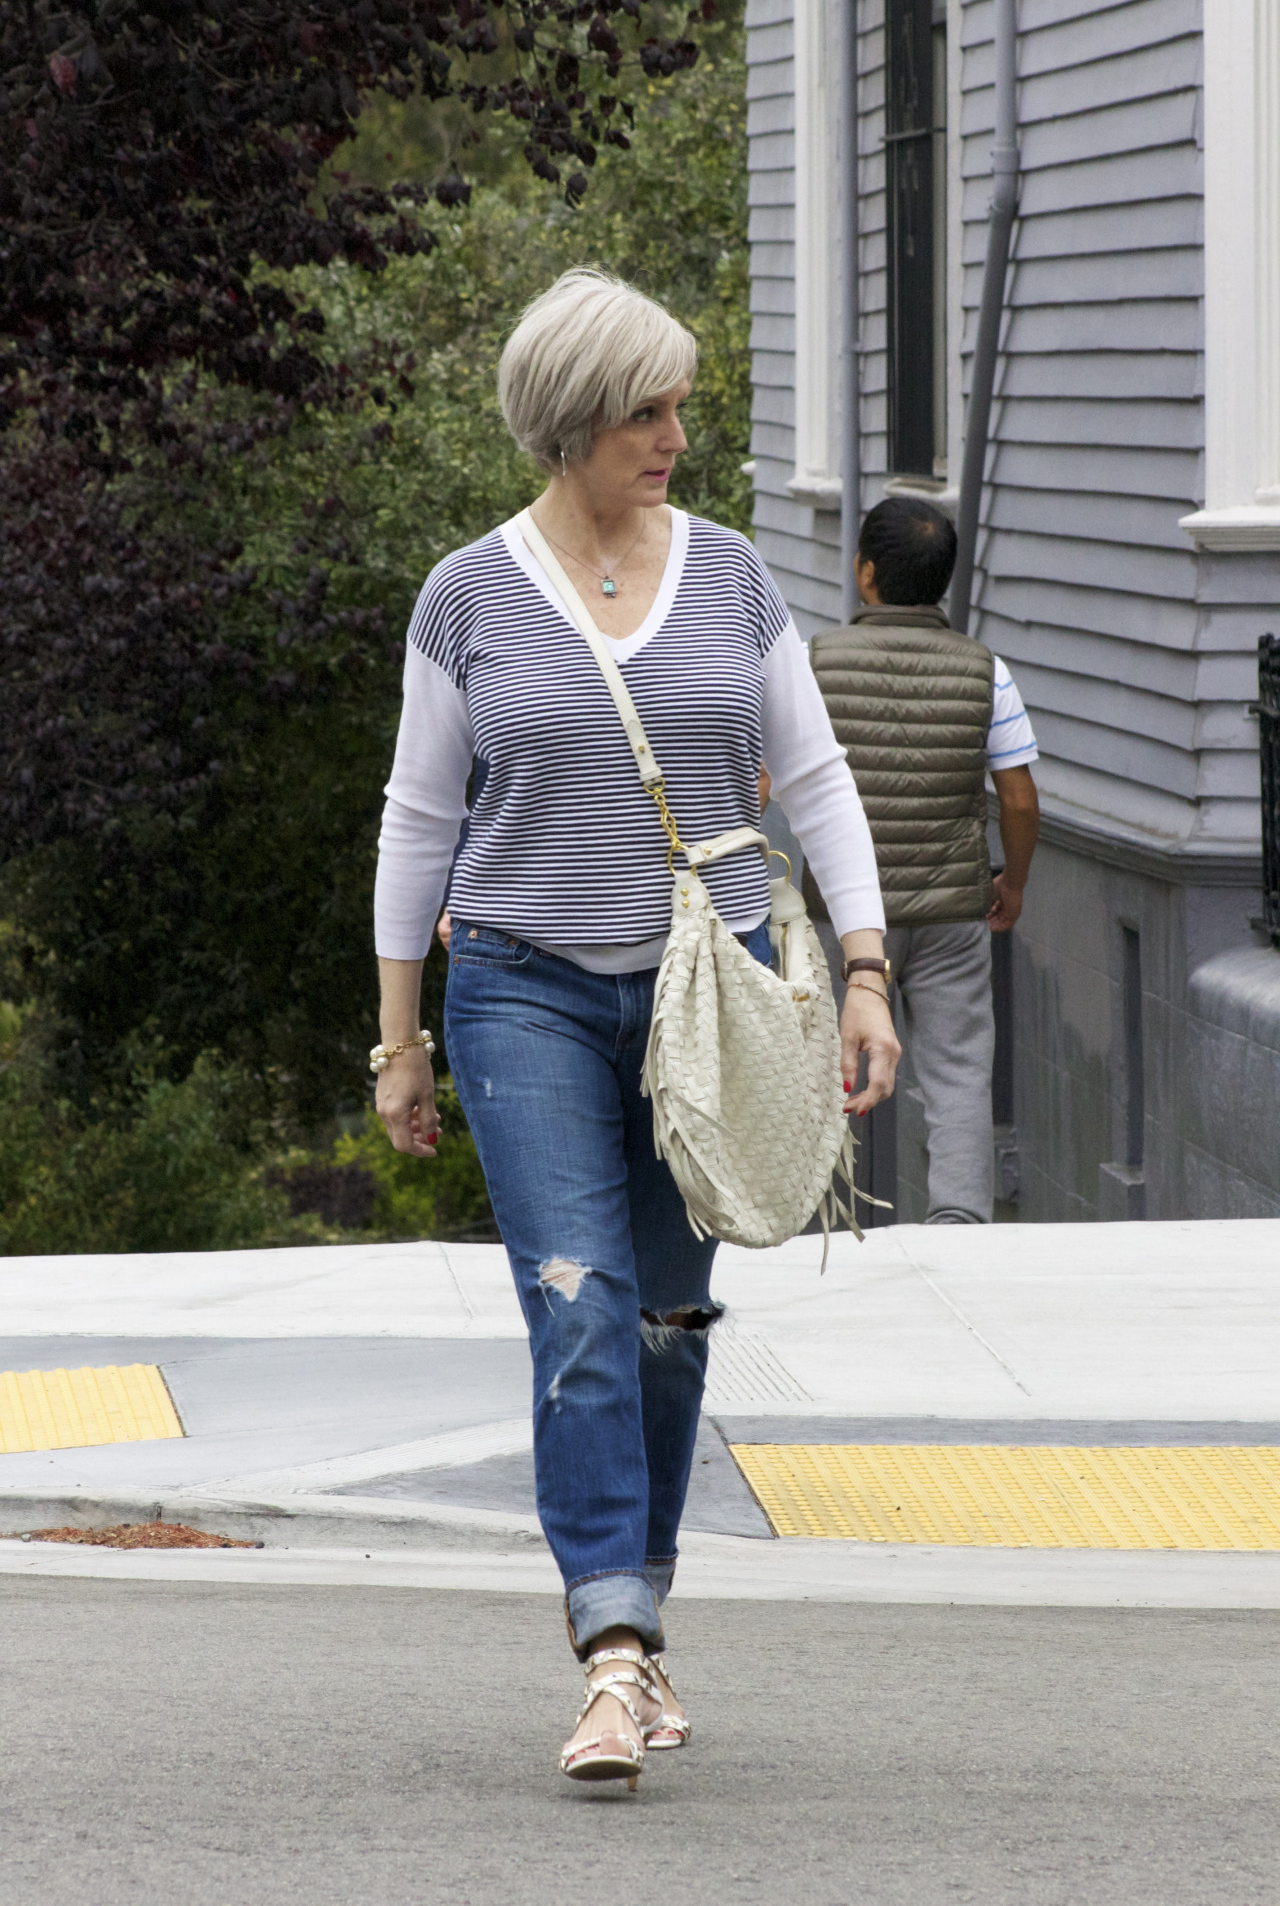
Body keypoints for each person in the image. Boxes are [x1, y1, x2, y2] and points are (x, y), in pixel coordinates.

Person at [372, 269, 899, 1786]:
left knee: (666, 1329)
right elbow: (419, 819)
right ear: (569, 423)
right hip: (522, 990)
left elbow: (817, 780)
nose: (675, 436)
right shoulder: (467, 596)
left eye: (677, 407)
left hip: (704, 1000)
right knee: (583, 1307)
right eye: (646, 413)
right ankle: (609, 1650)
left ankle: (641, 1620)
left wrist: (865, 970)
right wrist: (400, 1038)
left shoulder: (732, 577)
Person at [805, 495, 1040, 1225]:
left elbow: (764, 779)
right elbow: (1019, 798)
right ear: (943, 579)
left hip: (840, 921)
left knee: (827, 1065)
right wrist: (1012, 883)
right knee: (959, 1071)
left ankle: (816, 1216)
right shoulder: (986, 671)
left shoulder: (815, 663)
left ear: (865, 572)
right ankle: (960, 1226)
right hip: (951, 913)